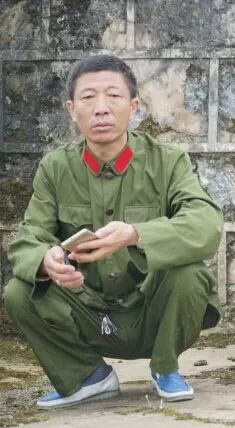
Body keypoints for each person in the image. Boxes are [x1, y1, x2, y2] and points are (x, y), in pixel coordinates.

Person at [3, 55, 223, 409]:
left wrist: (136, 234)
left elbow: (206, 223)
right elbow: (30, 237)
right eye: (88, 98)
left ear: (133, 107)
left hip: (152, 311)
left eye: (114, 96)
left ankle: (166, 366)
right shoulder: (55, 168)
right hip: (88, 309)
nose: (101, 108)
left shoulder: (168, 162)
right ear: (72, 110)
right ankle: (87, 377)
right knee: (19, 291)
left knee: (190, 273)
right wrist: (46, 260)